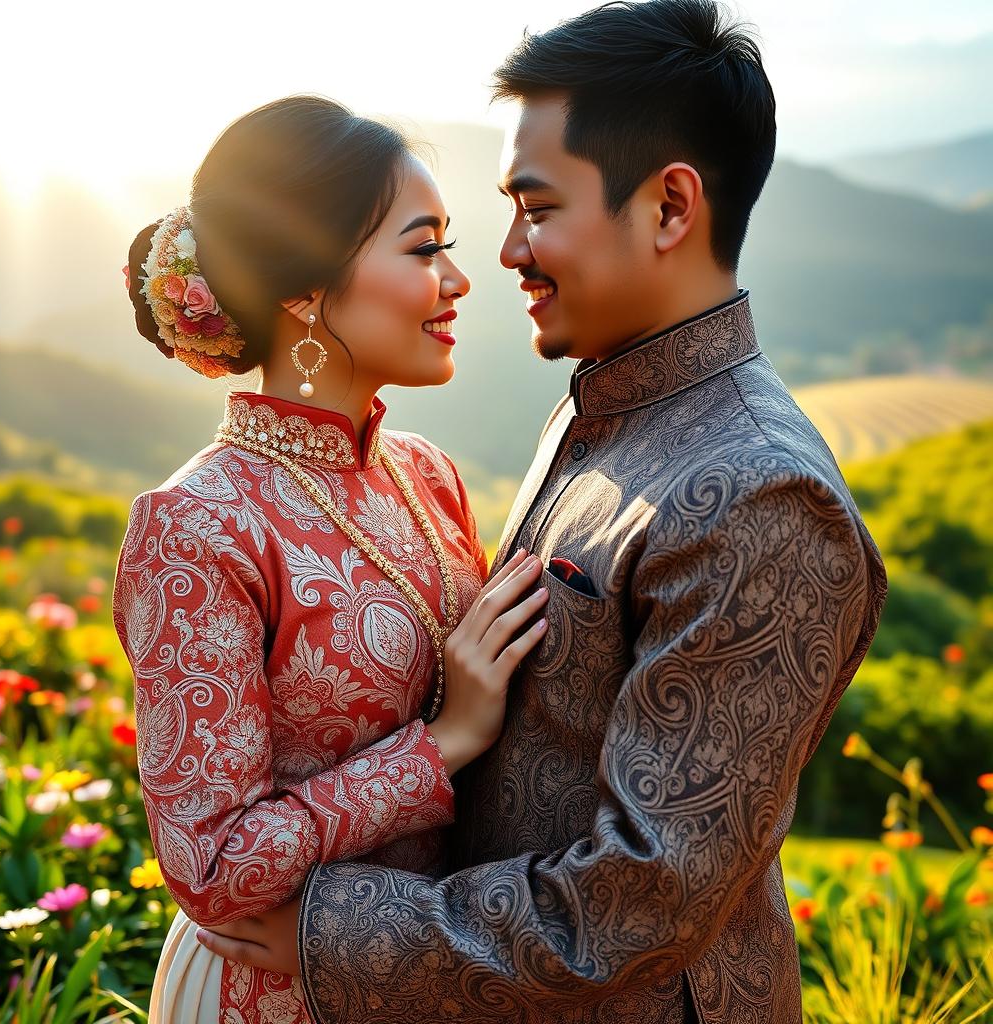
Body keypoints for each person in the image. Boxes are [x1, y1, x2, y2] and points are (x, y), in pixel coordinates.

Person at [196, 2, 889, 1022]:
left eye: (539, 208)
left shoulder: (763, 499)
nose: (509, 252)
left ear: (667, 207)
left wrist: (326, 928)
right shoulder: (601, 401)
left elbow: (635, 905)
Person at [111, 95, 551, 1023]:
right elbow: (212, 866)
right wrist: (443, 742)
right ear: (306, 289)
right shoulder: (196, 528)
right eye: (424, 248)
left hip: (429, 975)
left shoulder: (427, 478)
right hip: (271, 995)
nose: (460, 278)